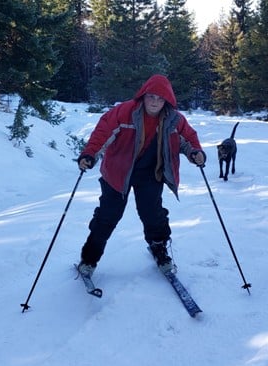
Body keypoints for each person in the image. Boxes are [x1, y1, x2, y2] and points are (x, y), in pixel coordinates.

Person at [76, 74, 206, 278]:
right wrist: (90, 154)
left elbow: (187, 138)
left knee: (153, 214)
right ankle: (89, 259)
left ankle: (159, 248)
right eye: (151, 96)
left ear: (167, 101)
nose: (155, 102)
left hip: (151, 171)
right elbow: (103, 133)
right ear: (143, 96)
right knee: (107, 216)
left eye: (160, 98)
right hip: (118, 172)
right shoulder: (124, 112)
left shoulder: (174, 119)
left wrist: (195, 153)